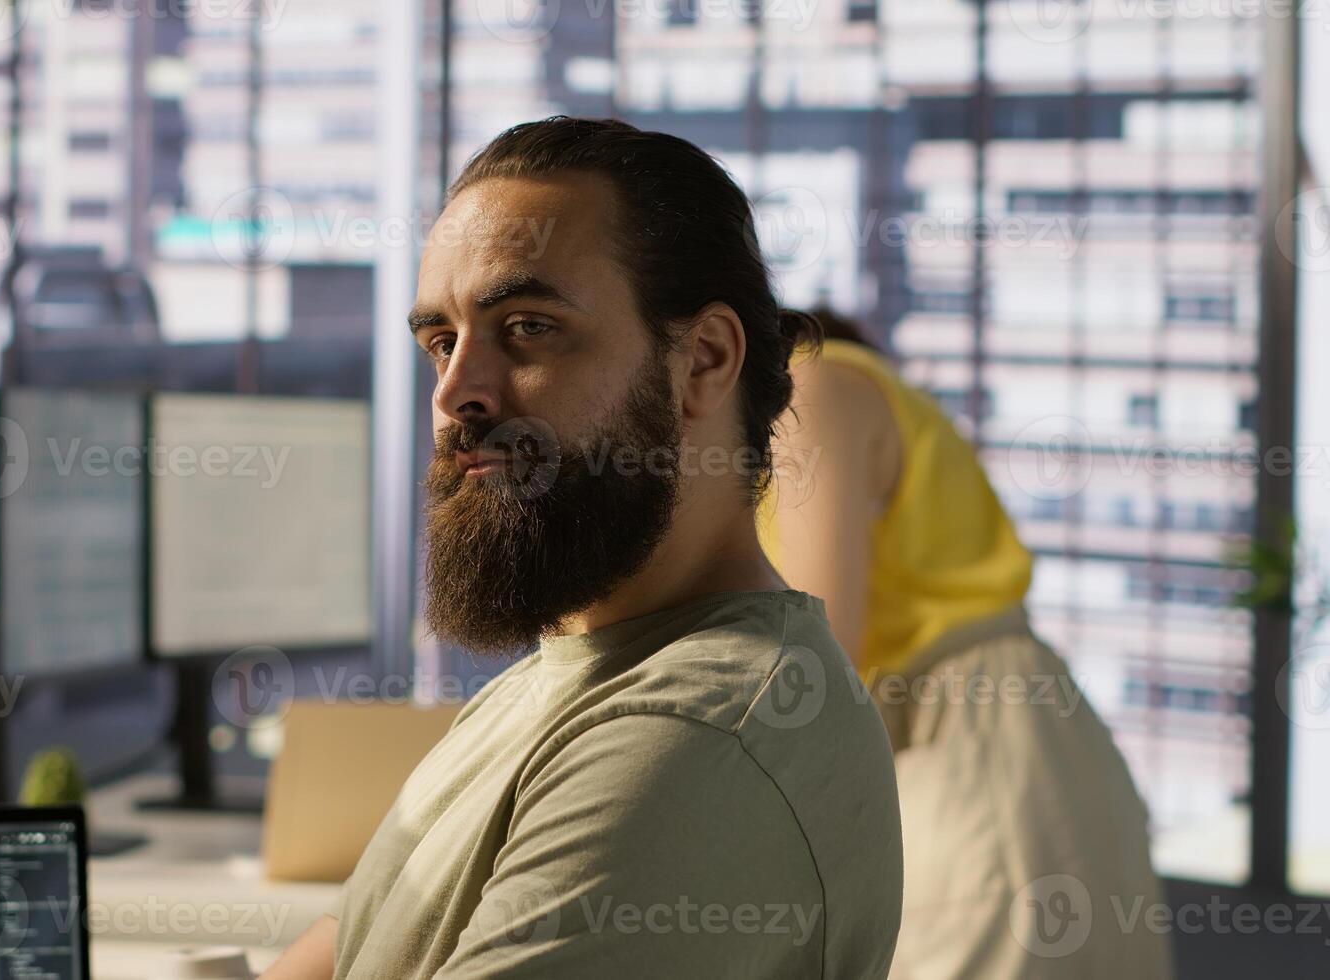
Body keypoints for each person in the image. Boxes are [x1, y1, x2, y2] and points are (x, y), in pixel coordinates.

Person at [262, 118, 903, 979]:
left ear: (703, 360)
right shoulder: (554, 682)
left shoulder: (694, 739)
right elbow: (353, 943)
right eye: (442, 343)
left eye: (528, 326)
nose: (455, 393)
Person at [760, 309, 1175, 979]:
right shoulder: (868, 400)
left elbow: (816, 664)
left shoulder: (814, 385)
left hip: (972, 741)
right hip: (1032, 742)